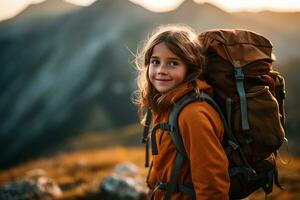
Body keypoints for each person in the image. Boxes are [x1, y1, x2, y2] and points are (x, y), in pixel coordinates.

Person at [133, 24, 230, 199]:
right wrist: (153, 186)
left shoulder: (193, 114)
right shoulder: (167, 105)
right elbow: (164, 157)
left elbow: (212, 181)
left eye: (173, 63)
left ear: (190, 69)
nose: (161, 70)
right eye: (155, 61)